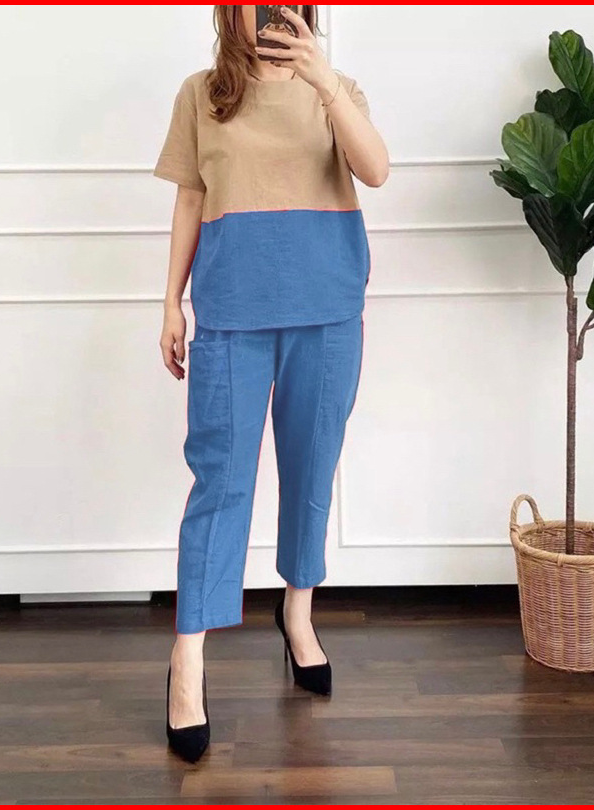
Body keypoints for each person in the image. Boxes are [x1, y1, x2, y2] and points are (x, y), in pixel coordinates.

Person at [153, 4, 389, 763]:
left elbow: (376, 170)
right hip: (231, 312)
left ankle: (298, 614)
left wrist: (323, 80)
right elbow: (191, 197)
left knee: (312, 468)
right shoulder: (202, 94)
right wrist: (171, 302)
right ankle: (188, 659)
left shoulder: (335, 87)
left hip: (328, 307)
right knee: (220, 482)